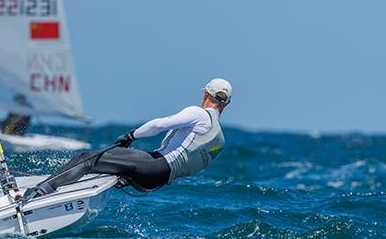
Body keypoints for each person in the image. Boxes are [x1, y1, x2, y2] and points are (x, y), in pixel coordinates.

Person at [21, 78, 232, 202]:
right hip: (158, 182)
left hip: (156, 165)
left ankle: (40, 191)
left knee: (88, 158)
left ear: (205, 93)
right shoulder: (218, 139)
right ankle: (67, 191)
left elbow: (159, 125)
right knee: (112, 166)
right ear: (226, 104)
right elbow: (187, 168)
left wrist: (131, 135)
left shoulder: (198, 114)